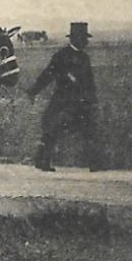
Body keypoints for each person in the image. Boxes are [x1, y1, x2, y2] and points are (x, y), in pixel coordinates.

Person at [27, 22, 101, 172]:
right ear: (74, 39)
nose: (85, 42)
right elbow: (48, 75)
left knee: (89, 131)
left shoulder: (85, 58)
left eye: (85, 39)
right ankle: (42, 161)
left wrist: (92, 99)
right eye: (82, 38)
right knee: (52, 130)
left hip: (81, 101)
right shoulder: (61, 56)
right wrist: (33, 91)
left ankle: (94, 163)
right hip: (63, 100)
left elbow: (89, 80)